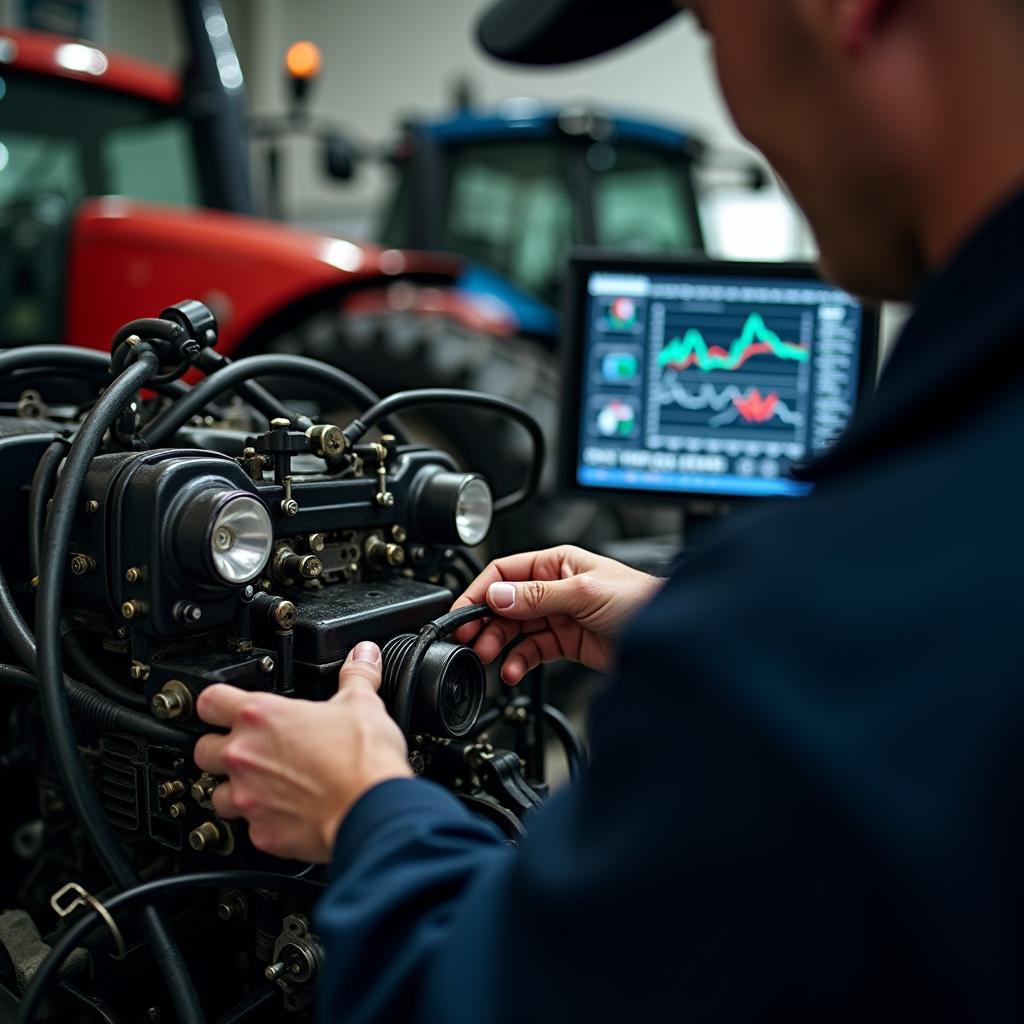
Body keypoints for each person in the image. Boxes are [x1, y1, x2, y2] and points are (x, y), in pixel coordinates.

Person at [194, 0, 1024, 1019]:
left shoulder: (826, 609)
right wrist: (683, 621)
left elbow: (501, 995)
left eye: (712, 31)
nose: (738, 103)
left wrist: (365, 811)